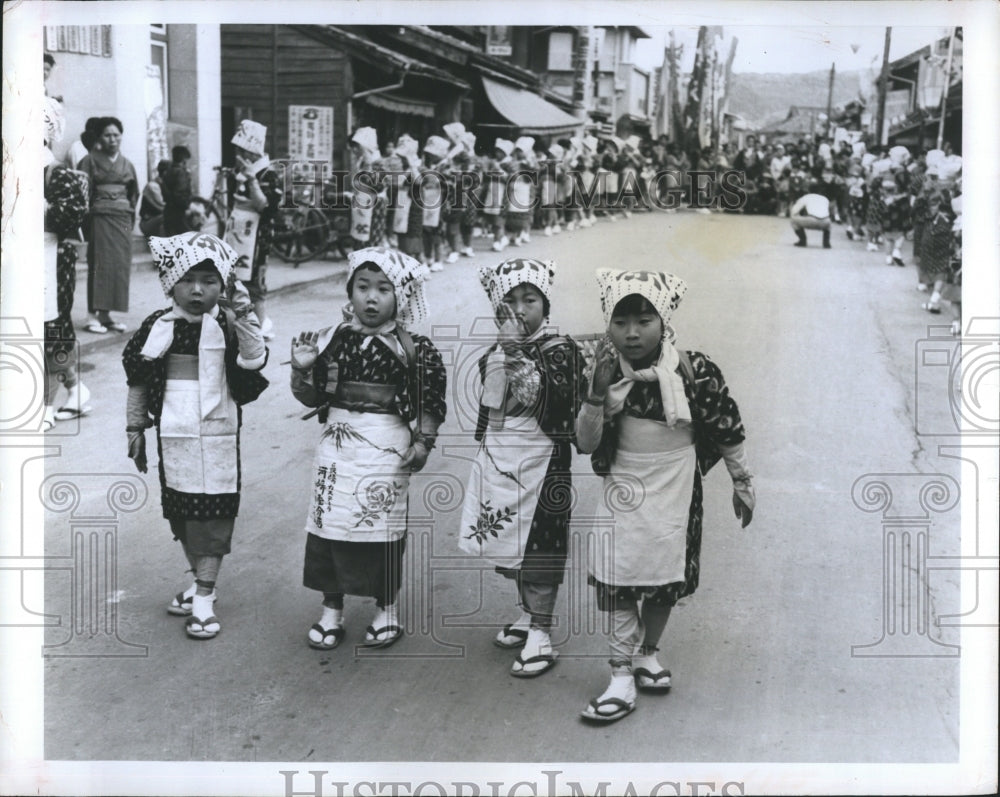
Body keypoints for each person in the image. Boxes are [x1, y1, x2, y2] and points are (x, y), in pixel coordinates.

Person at [575, 268, 755, 723]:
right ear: (608, 324)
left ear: (664, 320)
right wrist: (596, 397)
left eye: (644, 320)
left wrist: (742, 481)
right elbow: (587, 442)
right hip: (624, 482)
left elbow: (726, 428)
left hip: (677, 484)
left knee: (665, 575)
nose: (632, 334)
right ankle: (619, 673)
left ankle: (646, 652)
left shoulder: (695, 372)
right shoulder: (601, 371)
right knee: (619, 572)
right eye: (620, 322)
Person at [289, 247, 446, 650]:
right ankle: (331, 608)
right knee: (329, 526)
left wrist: (424, 443)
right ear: (350, 291)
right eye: (362, 287)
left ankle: (385, 608)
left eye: (382, 289)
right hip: (337, 448)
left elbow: (430, 401)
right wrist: (302, 368)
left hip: (387, 448)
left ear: (401, 296)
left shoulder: (415, 349)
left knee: (383, 529)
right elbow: (310, 399)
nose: (371, 298)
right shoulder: (332, 341)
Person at [123, 232, 269, 639]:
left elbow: (253, 361)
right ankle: (198, 580)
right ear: (170, 282)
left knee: (214, 517)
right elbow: (138, 379)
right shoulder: (157, 327)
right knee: (183, 515)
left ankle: (204, 596)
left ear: (222, 286)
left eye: (209, 280)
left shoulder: (227, 322)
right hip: (174, 435)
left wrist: (245, 319)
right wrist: (135, 427)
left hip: (219, 435)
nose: (197, 289)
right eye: (187, 279)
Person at [459, 258, 587, 677]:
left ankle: (542, 632)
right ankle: (528, 613)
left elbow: (549, 401)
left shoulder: (560, 349)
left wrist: (515, 353)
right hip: (504, 454)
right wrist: (505, 351)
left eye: (529, 299)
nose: (519, 308)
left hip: (543, 461)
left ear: (545, 308)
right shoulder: (497, 350)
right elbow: (489, 397)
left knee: (540, 547)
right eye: (509, 301)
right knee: (514, 543)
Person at [42, 98, 92, 431]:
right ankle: (76, 389)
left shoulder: (54, 172)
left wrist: (39, 207)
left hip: (52, 258)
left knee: (52, 329)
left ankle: (45, 405)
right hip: (26, 259)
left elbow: (73, 214)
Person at [78, 117, 139, 334]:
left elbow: (134, 193)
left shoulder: (127, 163)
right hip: (100, 217)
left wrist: (129, 214)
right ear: (100, 138)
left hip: (122, 218)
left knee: (118, 267)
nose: (112, 139)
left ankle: (106, 314)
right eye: (107, 135)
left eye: (116, 134)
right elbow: (82, 191)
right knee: (100, 265)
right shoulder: (90, 160)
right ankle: (92, 315)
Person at [226, 120, 282, 341]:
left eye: (242, 150)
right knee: (235, 277)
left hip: (257, 235)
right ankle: (241, 322)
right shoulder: (239, 172)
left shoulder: (268, 174)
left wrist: (252, 180)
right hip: (238, 232)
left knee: (255, 279)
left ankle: (260, 324)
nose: (239, 154)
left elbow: (267, 208)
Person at [162, 145, 194, 236]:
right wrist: (186, 206)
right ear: (184, 160)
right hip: (179, 213)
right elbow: (180, 194)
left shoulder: (167, 171)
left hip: (168, 211)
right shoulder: (181, 173)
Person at [139, 159, 170, 237]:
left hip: (157, 220)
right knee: (170, 216)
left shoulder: (166, 184)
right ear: (165, 172)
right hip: (148, 223)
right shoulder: (153, 186)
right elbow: (163, 206)